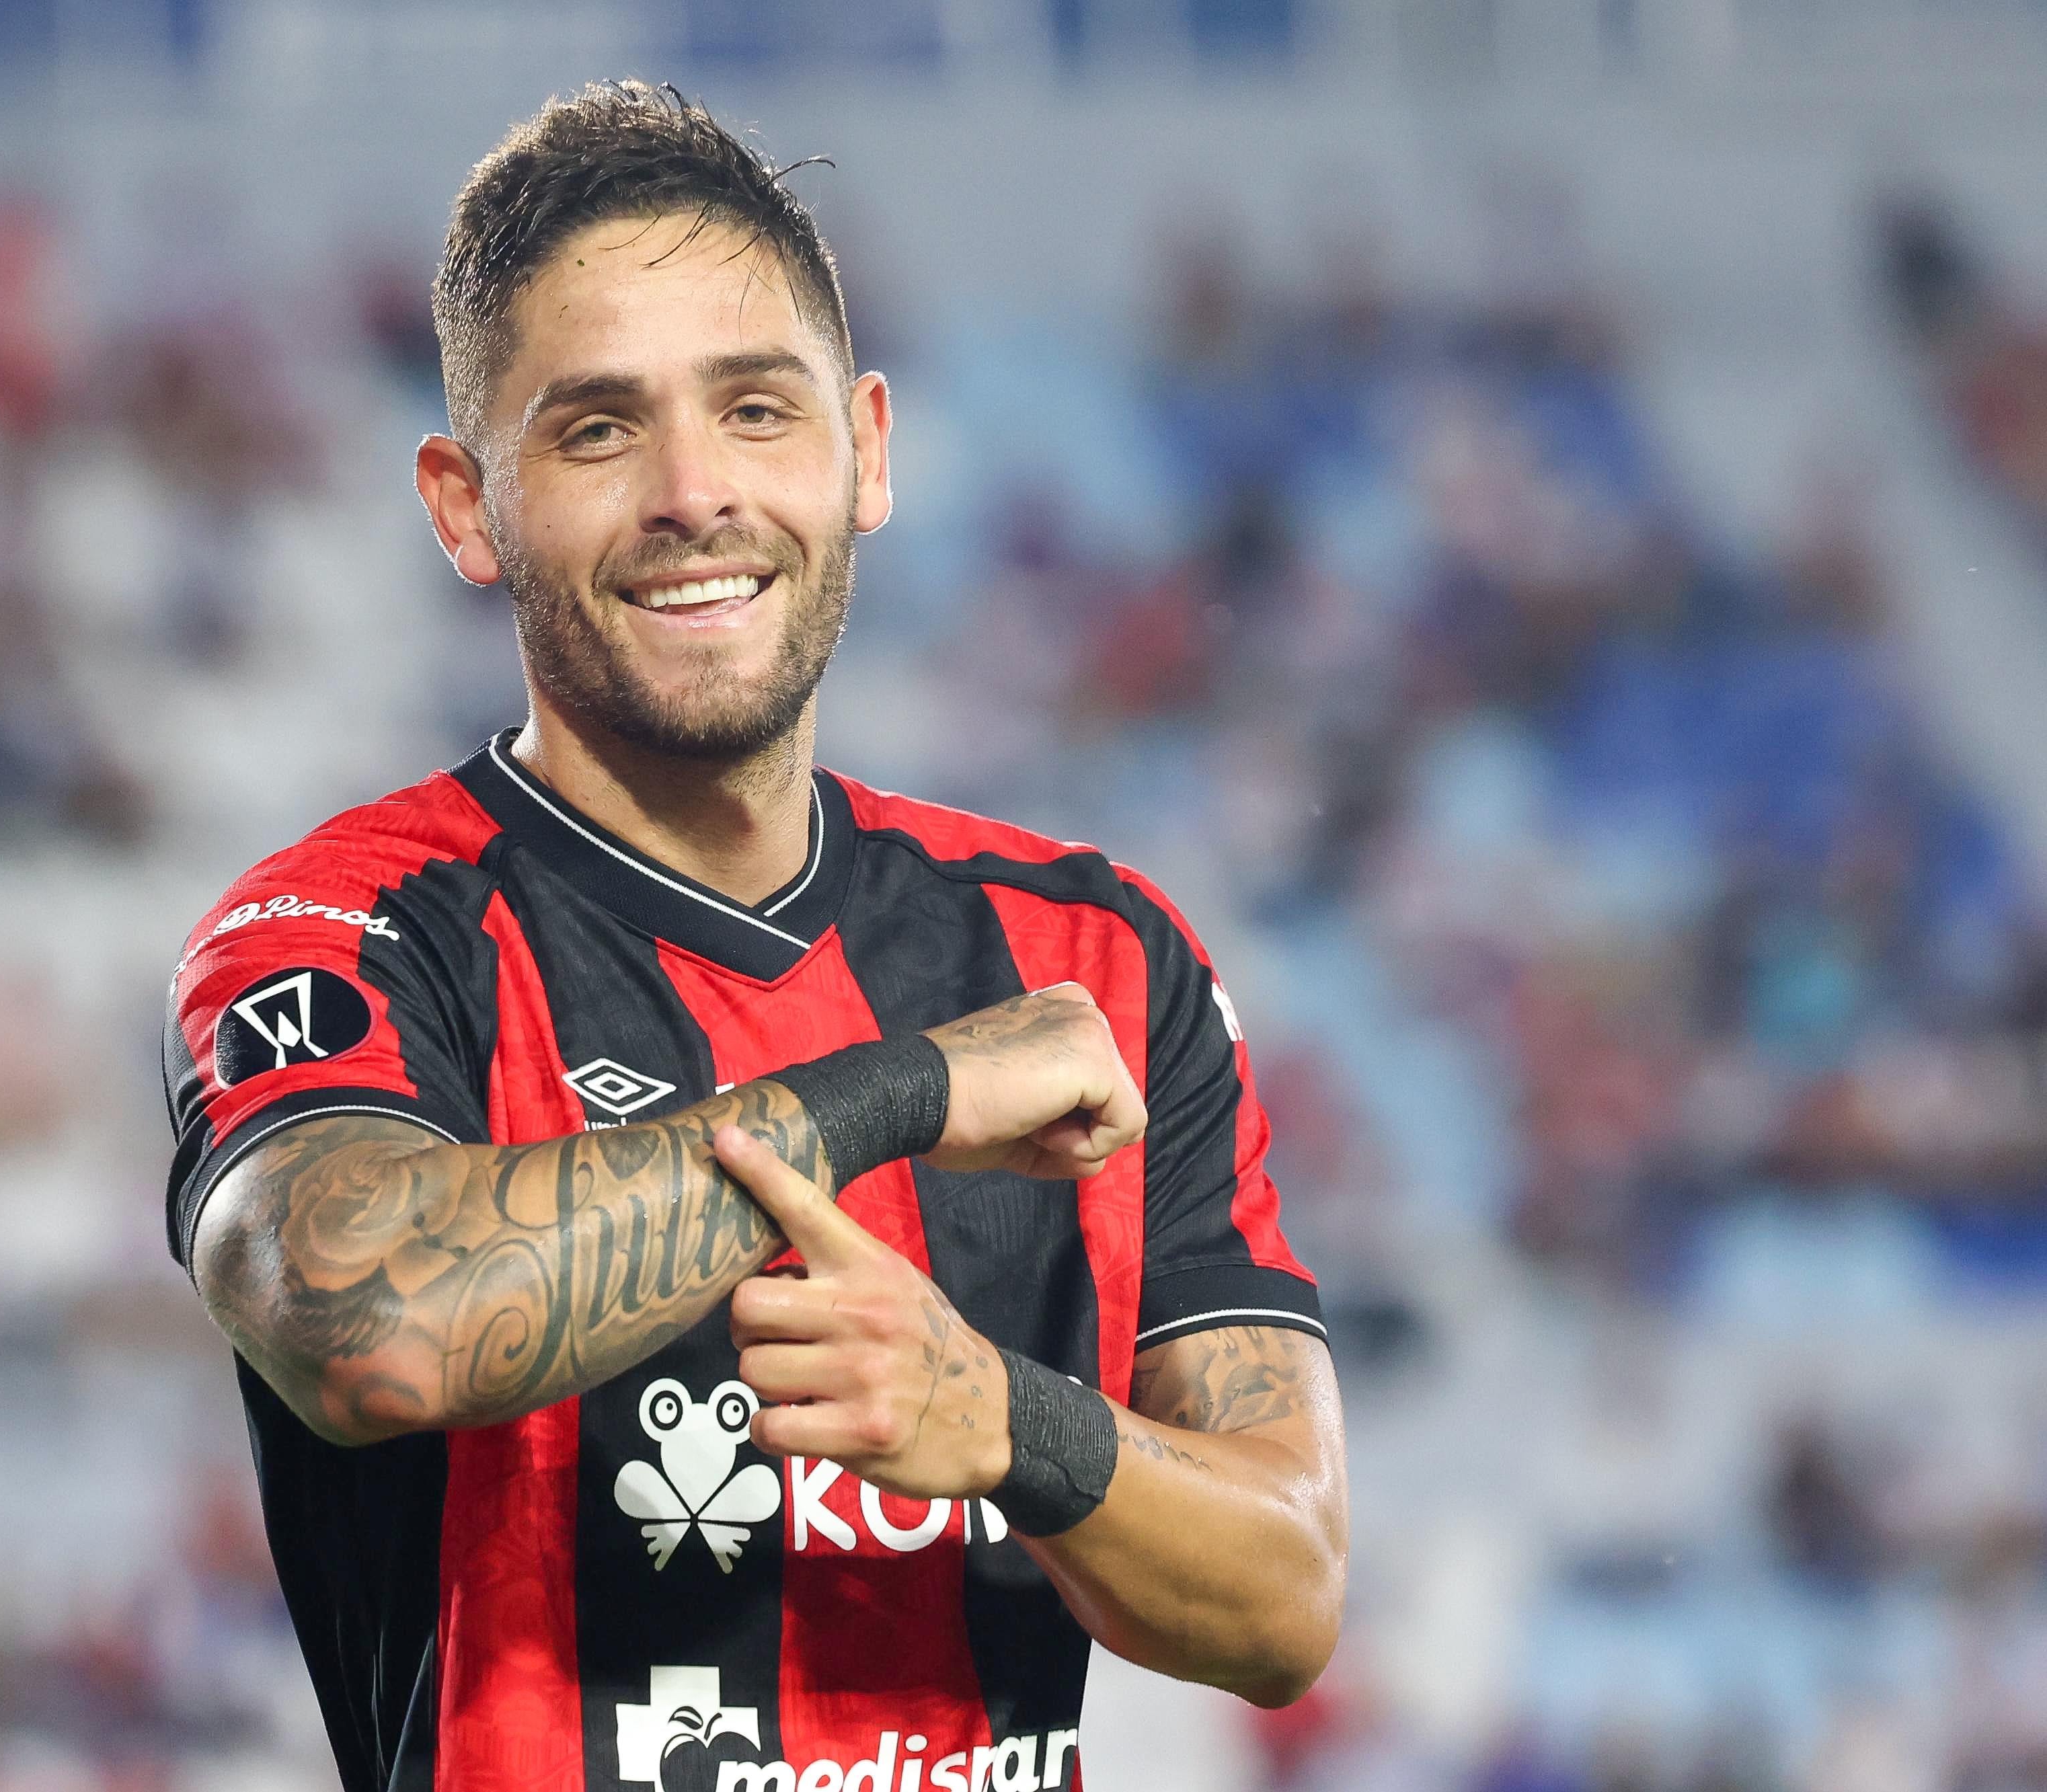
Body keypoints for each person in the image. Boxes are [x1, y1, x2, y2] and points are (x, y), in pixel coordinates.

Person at [159, 82, 1347, 1792]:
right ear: (463, 505)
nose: (693, 492)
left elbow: (1284, 1599)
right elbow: (368, 1319)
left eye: (756, 410)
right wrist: (901, 1096)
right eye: (595, 431)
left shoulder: (1094, 955)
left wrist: (1007, 1421)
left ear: (866, 448)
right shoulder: (354, 924)